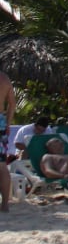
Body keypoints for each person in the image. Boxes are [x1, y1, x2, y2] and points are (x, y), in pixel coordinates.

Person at [0, 70, 14, 212]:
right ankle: (4, 204)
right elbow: (12, 104)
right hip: (0, 123)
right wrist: (8, 123)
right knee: (2, 166)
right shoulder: (4, 78)